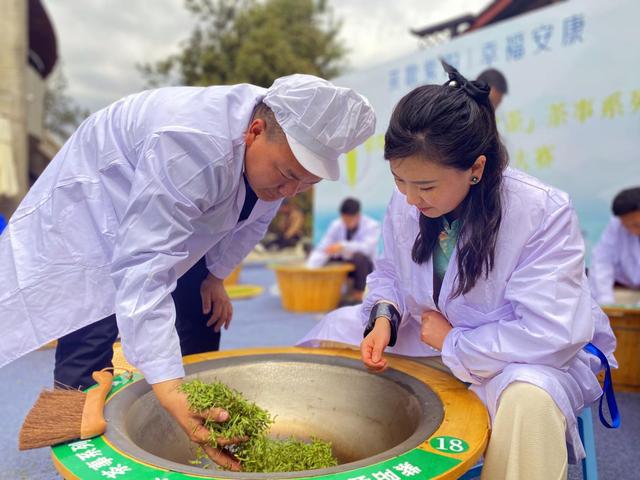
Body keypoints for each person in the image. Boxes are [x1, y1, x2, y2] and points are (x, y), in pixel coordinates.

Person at [0, 74, 375, 469]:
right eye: (286, 175)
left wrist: (216, 276)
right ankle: (74, 429)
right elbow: (144, 265)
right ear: (255, 131)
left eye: (304, 183)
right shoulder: (187, 143)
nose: (290, 191)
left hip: (177, 208)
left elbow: (252, 221)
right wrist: (166, 382)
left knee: (200, 307)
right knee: (93, 314)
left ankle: (188, 406)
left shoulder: (277, 161)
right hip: (101, 198)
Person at [305, 62, 617, 480]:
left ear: (477, 168)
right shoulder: (407, 203)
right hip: (431, 336)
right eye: (399, 181)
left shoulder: (542, 211)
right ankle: (343, 459)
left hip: (517, 356)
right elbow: (390, 274)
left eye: (426, 187)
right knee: (331, 336)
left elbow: (551, 332)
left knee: (529, 400)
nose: (411, 199)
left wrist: (454, 342)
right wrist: (384, 318)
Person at [306, 197, 380, 303]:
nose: (346, 223)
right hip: (343, 264)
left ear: (358, 216)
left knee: (359, 257)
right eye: (344, 219)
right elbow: (324, 246)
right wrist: (311, 266)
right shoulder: (337, 225)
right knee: (323, 255)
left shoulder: (371, 225)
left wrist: (343, 246)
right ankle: (331, 294)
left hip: (364, 266)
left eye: (350, 220)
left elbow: (367, 249)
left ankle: (358, 296)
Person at [589, 186, 640, 304]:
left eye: (637, 224)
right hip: (625, 287)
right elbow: (602, 262)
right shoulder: (616, 224)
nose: (632, 230)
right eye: (627, 225)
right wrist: (606, 302)